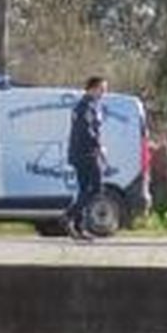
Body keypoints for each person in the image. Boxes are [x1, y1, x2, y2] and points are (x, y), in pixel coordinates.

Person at [65, 76, 109, 240]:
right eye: (101, 89)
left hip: (80, 153)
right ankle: (69, 215)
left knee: (84, 190)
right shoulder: (86, 106)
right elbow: (87, 130)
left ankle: (78, 227)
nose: (103, 93)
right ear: (92, 88)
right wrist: (99, 147)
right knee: (96, 188)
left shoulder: (85, 106)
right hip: (86, 154)